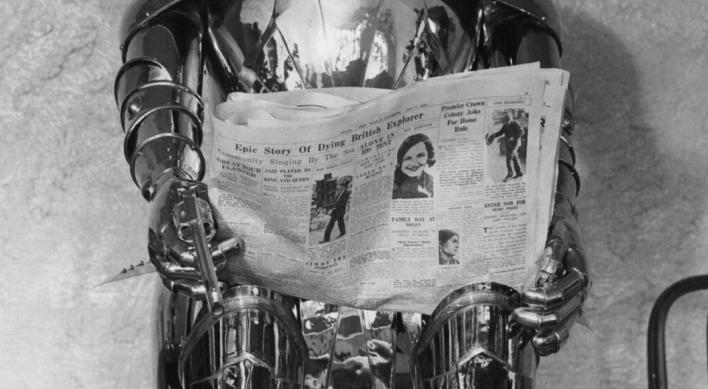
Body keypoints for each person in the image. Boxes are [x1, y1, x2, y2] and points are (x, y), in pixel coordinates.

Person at [114, 1, 590, 387]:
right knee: (237, 343)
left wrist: (557, 226)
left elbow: (543, 121)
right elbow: (157, 67)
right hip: (252, 234)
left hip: (436, 242)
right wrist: (170, 185)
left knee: (482, 332)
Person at [393, 134, 436, 199]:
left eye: (420, 155)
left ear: (428, 156)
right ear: (401, 161)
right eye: (408, 158)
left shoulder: (432, 181)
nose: (414, 162)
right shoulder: (393, 183)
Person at [489, 112, 524, 182]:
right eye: (506, 120)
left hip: (516, 143)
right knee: (515, 157)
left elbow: (522, 132)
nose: (507, 122)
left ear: (511, 119)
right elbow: (501, 132)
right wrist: (493, 135)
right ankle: (519, 172)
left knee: (509, 158)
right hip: (509, 143)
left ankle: (510, 174)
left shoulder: (515, 123)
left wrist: (513, 137)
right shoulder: (505, 125)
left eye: (508, 120)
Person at [320, 178, 350, 243]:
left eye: (342, 186)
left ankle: (341, 233)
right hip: (336, 211)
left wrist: (335, 207)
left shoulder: (346, 193)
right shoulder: (339, 192)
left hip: (340, 211)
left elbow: (343, 203)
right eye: (340, 185)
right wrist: (331, 207)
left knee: (337, 223)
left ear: (345, 186)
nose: (340, 186)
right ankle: (327, 238)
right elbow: (335, 201)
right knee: (337, 222)